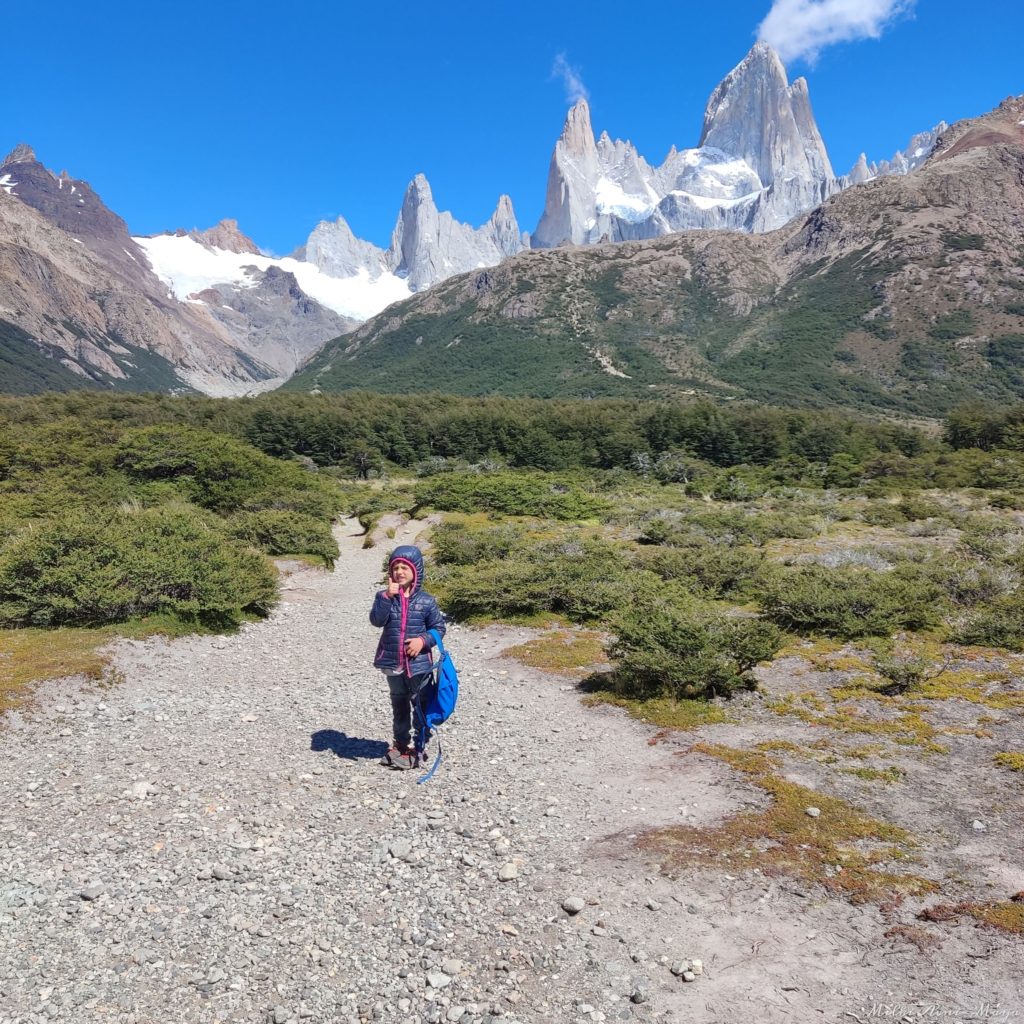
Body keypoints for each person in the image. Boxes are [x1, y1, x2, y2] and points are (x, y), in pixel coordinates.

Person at [369, 544, 446, 770]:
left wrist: (423, 641)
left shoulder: (426, 601)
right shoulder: (384, 597)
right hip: (393, 663)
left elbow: (439, 628)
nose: (399, 572)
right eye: (395, 567)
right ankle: (400, 744)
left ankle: (420, 746)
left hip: (419, 665)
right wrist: (386, 597)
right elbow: (376, 621)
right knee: (399, 704)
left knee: (421, 705)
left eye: (405, 567)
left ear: (416, 571)